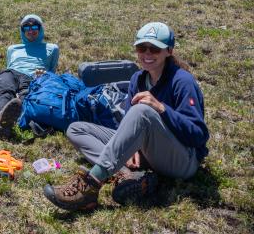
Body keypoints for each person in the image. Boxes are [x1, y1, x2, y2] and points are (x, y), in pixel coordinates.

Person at [43, 21, 209, 210]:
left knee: (143, 110)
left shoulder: (182, 81)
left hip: (183, 161)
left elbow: (198, 135)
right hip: (149, 153)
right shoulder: (137, 78)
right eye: (141, 48)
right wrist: (133, 149)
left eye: (154, 49)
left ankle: (91, 183)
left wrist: (162, 108)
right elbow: (130, 123)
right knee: (76, 129)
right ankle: (126, 175)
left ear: (169, 51)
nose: (147, 54)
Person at [0, 14, 59, 139]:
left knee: (26, 97)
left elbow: (52, 71)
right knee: (4, 88)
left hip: (33, 77)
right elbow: (10, 65)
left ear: (40, 28)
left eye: (34, 27)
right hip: (12, 72)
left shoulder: (52, 48)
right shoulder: (12, 48)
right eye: (26, 28)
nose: (31, 30)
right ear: (22, 31)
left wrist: (44, 75)